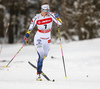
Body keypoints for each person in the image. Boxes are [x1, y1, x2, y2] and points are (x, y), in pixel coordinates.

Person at [23, 3, 62, 81]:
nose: (47, 12)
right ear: (41, 10)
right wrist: (26, 37)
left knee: (45, 55)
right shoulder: (37, 17)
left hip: (47, 39)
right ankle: (39, 75)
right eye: (45, 10)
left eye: (48, 10)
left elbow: (60, 23)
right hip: (39, 38)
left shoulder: (51, 15)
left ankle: (39, 62)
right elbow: (30, 28)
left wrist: (58, 17)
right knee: (41, 55)